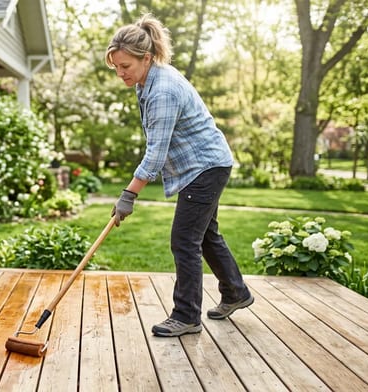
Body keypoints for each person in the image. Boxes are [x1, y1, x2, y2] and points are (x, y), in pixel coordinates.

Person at [105, 14, 254, 337]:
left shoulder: (163, 90)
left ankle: (186, 315)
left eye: (125, 66)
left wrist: (129, 194)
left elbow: (156, 153)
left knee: (184, 240)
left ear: (146, 58)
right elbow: (158, 142)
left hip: (204, 167)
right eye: (116, 67)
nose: (120, 73)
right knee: (206, 234)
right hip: (203, 165)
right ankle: (236, 292)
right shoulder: (147, 81)